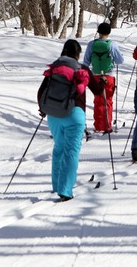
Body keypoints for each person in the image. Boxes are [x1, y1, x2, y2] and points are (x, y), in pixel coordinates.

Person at [37, 40, 104, 202]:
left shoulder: (54, 68)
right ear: (77, 54)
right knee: (71, 151)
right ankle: (65, 190)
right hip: (75, 114)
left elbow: (41, 92)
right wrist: (102, 82)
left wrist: (43, 110)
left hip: (54, 115)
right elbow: (98, 91)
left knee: (59, 148)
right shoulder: (82, 69)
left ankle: (56, 185)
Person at [83, 22, 125, 133]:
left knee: (98, 100)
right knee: (108, 100)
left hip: (95, 76)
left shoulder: (91, 44)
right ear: (109, 32)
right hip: (108, 75)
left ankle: (98, 125)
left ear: (98, 32)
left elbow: (86, 61)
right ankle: (107, 125)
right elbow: (120, 61)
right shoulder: (112, 45)